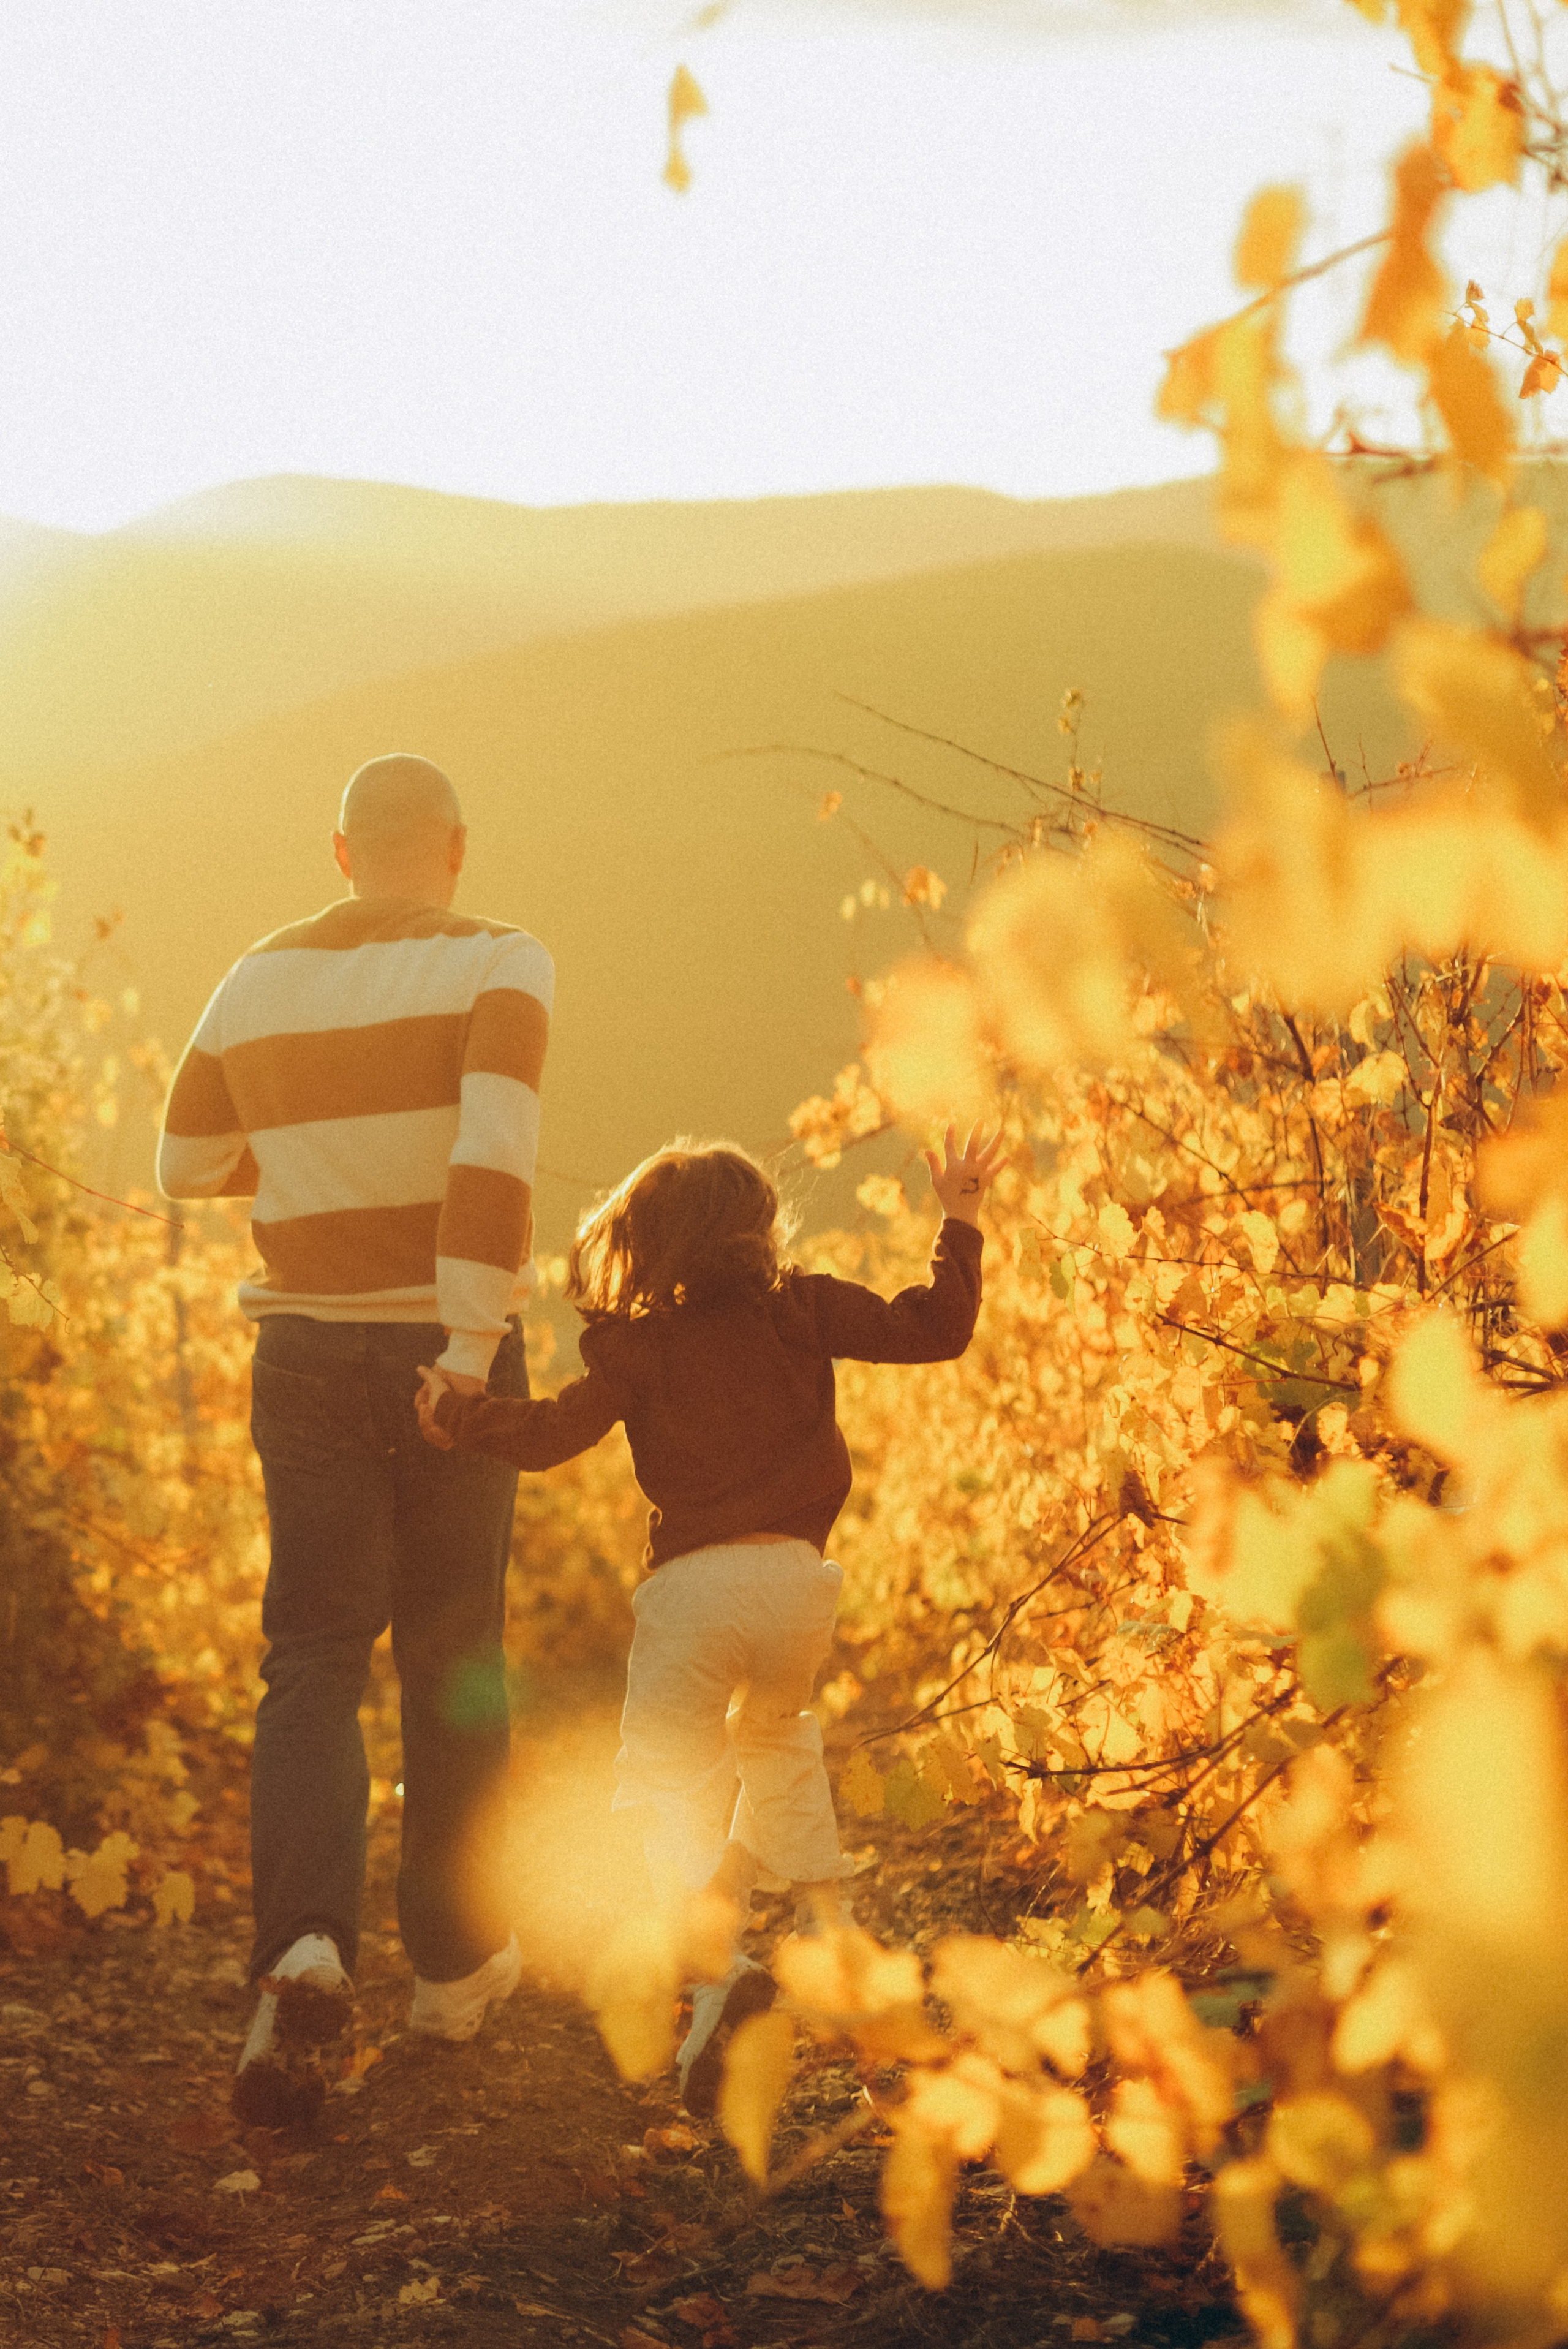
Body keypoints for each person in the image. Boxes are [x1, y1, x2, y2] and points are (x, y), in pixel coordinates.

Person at [415, 1122, 1001, 2113]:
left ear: (653, 1243)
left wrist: (458, 1417)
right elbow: (934, 1329)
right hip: (798, 1587)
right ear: (754, 1236)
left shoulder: (639, 1346)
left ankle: (717, 1968)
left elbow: (555, 1431)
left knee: (663, 1779)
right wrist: (961, 1220)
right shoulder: (800, 1311)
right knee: (776, 1736)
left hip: (693, 1597)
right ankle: (830, 1929)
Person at [157, 753, 553, 2125]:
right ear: (452, 847)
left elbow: (186, 1167)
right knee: (454, 1654)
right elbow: (492, 1158)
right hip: (450, 1355)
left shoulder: (251, 981)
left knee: (315, 1652)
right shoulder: (504, 962)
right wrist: (459, 1351)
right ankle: (448, 1970)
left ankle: (303, 1952)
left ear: (338, 853)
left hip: (304, 1350)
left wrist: (312, 1163)